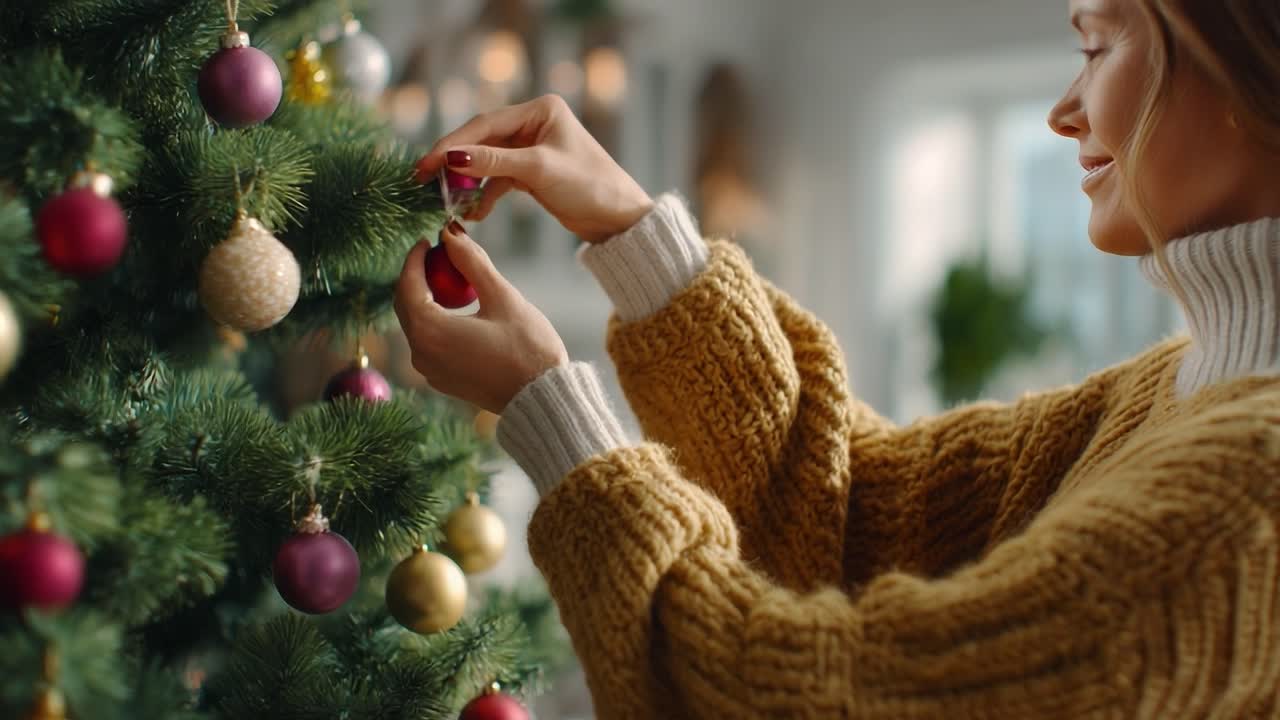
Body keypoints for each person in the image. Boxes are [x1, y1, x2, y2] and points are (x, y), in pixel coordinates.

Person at [395, 0, 1280, 716]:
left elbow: (824, 696)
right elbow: (852, 506)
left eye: (1098, 46)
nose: (1064, 109)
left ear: (1242, 56)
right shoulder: (1180, 392)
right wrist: (634, 235)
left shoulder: (1252, 487)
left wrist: (554, 415)